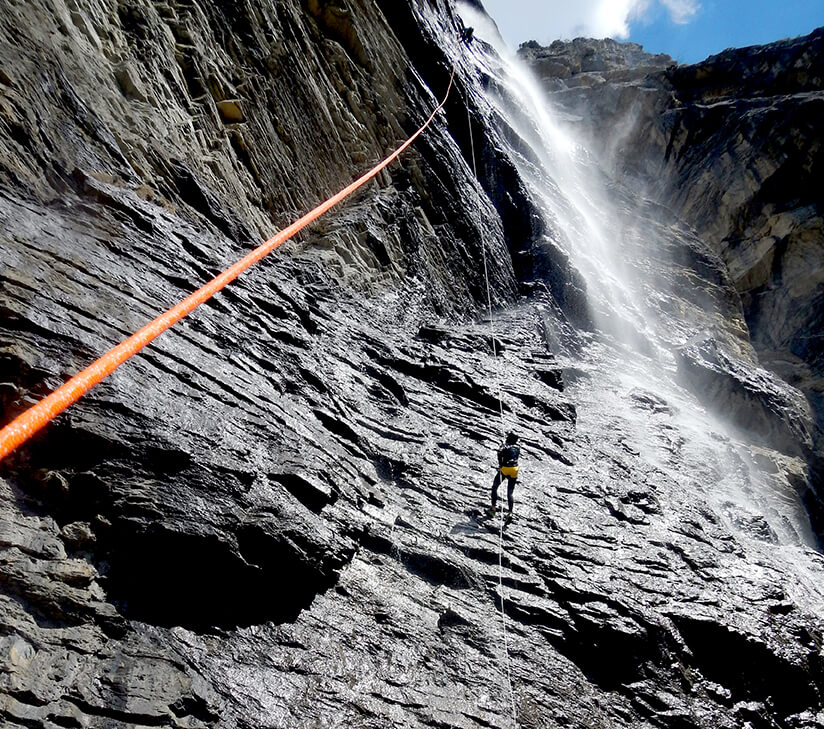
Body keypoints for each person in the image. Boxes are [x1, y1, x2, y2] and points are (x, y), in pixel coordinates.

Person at [488, 432, 520, 520]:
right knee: (510, 492)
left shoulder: (505, 446)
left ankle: (493, 509)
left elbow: (499, 454)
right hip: (515, 469)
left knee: (495, 487)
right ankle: (510, 513)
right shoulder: (518, 447)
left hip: (505, 469)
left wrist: (500, 464)